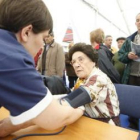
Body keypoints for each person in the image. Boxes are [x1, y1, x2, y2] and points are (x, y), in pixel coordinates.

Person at [0, 0, 86, 137]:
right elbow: (56, 118)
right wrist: (80, 107)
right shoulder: (13, 58)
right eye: (43, 37)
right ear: (27, 32)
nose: (42, 45)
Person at [68, 43, 120, 126]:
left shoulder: (99, 78)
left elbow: (73, 100)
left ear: (93, 62)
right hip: (88, 120)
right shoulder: (81, 78)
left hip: (107, 125)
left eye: (81, 60)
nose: (76, 65)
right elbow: (72, 94)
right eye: (73, 62)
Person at [118, 13, 140, 130]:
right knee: (133, 101)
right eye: (137, 20)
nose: (139, 22)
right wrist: (128, 55)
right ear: (135, 23)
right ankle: (133, 123)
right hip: (131, 75)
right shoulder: (129, 40)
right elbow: (120, 56)